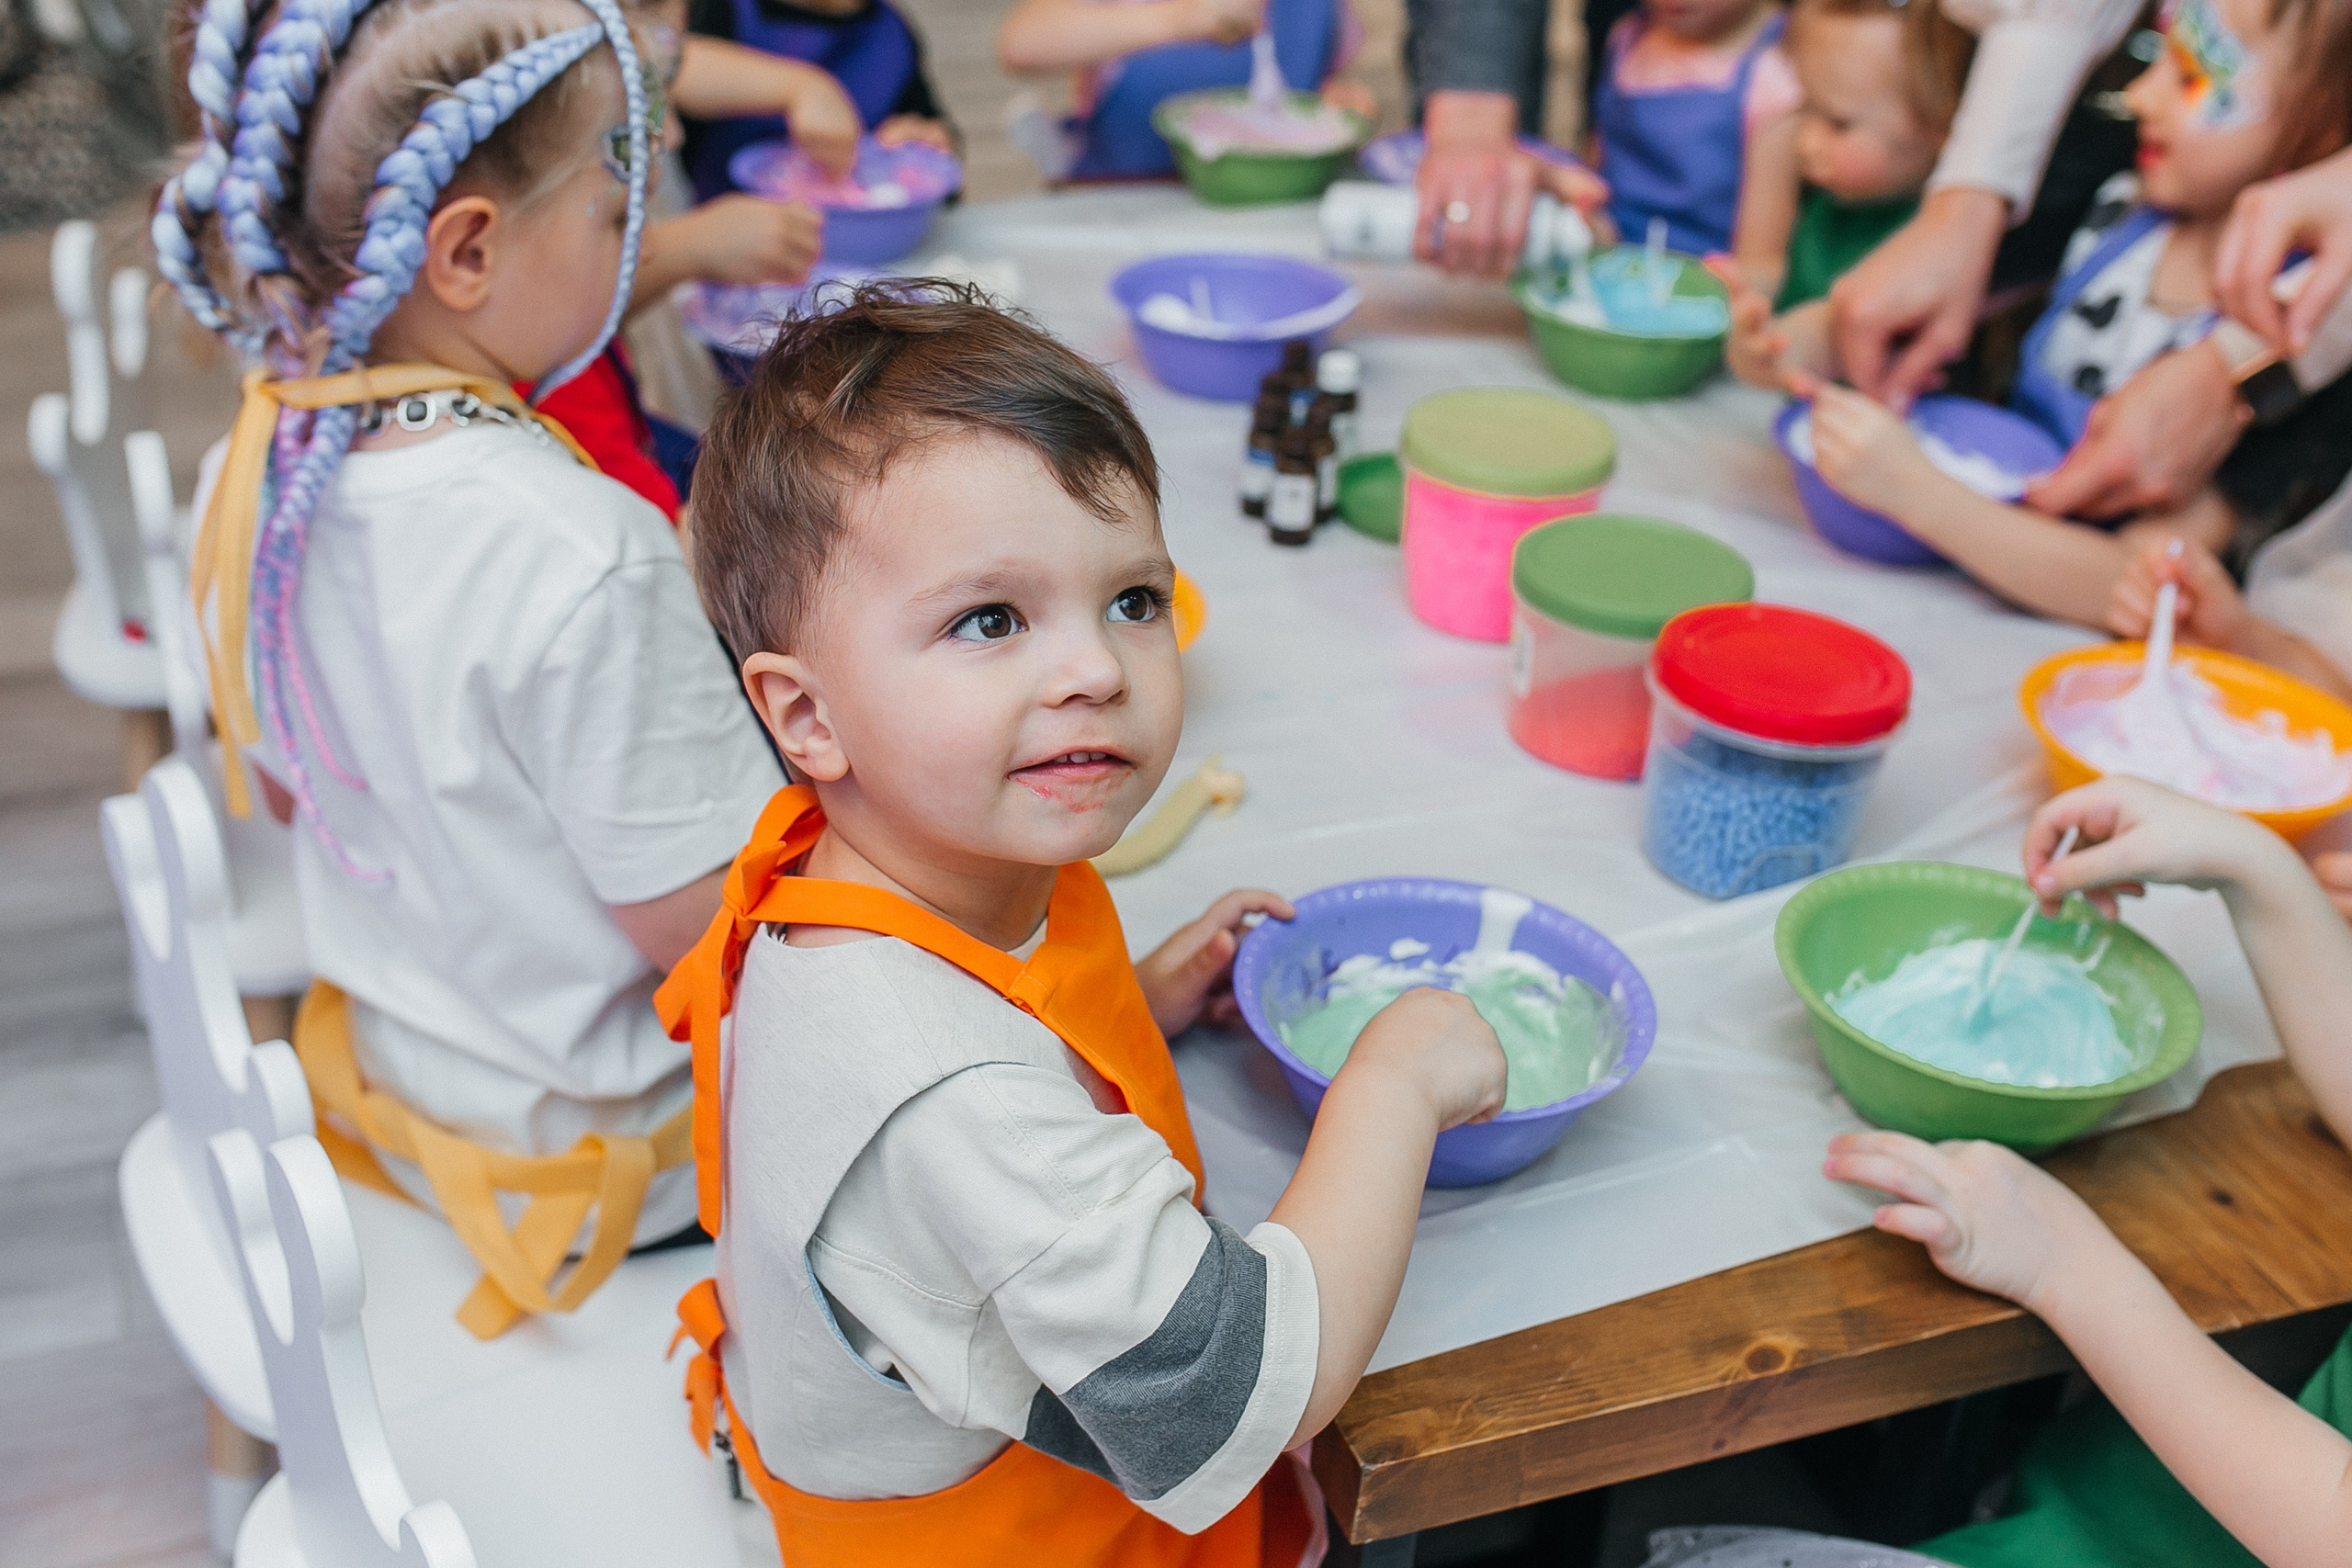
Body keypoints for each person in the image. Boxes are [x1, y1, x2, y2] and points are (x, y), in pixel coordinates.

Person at [660, 283, 1509, 1567]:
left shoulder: (878, 863)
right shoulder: (947, 1099)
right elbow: (1243, 1384)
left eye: (1133, 599)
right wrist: (1392, 1080)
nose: (1099, 669)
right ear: (807, 715)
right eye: (990, 618)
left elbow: (971, 1041)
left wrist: (1138, 1001)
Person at [154, 0, 782, 1335]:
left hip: (400, 1072)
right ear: (468, 250)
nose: (633, 244)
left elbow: (282, 790)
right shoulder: (578, 548)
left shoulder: (248, 470)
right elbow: (720, 942)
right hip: (611, 1149)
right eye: (617, 206)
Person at [1792, 0, 2352, 631]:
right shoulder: (2114, 208)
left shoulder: (2290, 349)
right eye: (2153, 55)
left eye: (2193, 74)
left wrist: (1915, 493)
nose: (2139, 96)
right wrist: (1782, 342)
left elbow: (2147, 586)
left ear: (2324, 134)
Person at [2028, 140, 2352, 519]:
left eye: (2191, 81)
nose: (2139, 96)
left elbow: (2142, 560)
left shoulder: (2287, 310)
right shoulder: (2124, 210)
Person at [1714, 0, 1977, 386]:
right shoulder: (1826, 199)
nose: (1805, 142)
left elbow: (1832, 336)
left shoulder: (1941, 245)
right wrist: (1743, 294)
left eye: (1837, 123)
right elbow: (1786, 280)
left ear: (1944, 124)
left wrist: (1780, 349)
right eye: (1806, 107)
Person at [997, 0, 1374, 183]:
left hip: (1266, 209)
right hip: (1124, 199)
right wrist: (1180, 18)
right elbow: (1021, 43)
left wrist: (1335, 101)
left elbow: (1317, 76)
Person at [1588, 0, 1800, 271]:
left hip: (1704, 284)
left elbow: (1761, 264)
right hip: (1607, 267)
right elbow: (1596, 176)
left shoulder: (1772, 73)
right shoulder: (1627, 37)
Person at [680, 0, 955, 205]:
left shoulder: (890, 30)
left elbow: (930, 126)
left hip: (857, 242)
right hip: (732, 240)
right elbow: (670, 69)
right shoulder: (720, 10)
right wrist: (804, 87)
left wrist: (924, 144)